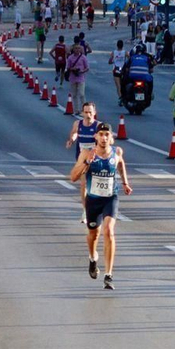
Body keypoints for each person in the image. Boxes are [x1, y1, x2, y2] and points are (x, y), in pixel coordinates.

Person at [68, 123, 130, 290]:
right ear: (95, 137)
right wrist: (87, 163)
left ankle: (108, 275)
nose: (104, 138)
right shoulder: (87, 153)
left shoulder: (117, 152)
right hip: (93, 199)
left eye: (106, 134)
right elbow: (73, 177)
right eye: (101, 134)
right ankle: (92, 258)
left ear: (111, 137)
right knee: (93, 236)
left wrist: (125, 182)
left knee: (109, 231)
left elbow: (121, 163)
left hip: (110, 198)